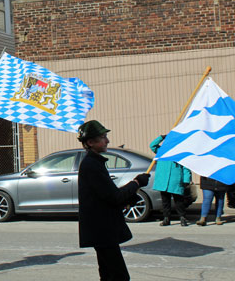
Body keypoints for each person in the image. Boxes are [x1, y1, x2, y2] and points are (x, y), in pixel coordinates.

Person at [77, 120, 150, 281]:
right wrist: (136, 183)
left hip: (103, 229)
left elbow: (107, 196)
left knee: (108, 273)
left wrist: (130, 196)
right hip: (102, 229)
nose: (107, 141)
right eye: (103, 137)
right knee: (119, 276)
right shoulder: (91, 165)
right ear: (90, 142)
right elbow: (113, 197)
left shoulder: (95, 162)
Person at [150, 134, 192, 226]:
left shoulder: (179, 153)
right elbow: (152, 145)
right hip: (163, 181)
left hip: (175, 181)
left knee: (179, 202)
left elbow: (185, 167)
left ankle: (182, 218)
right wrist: (161, 137)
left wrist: (186, 180)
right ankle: (166, 218)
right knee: (165, 202)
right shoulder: (161, 151)